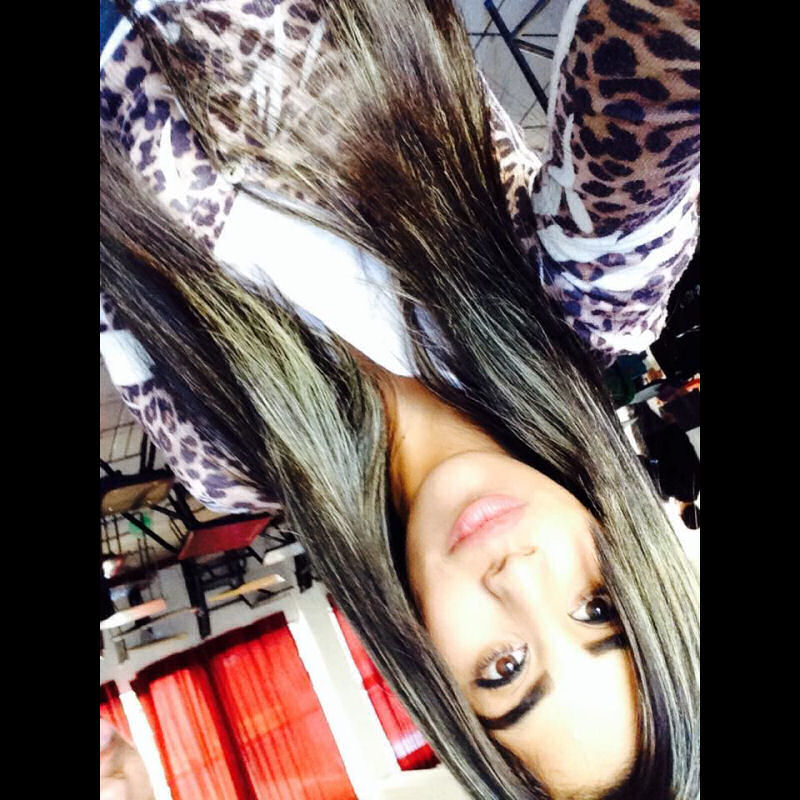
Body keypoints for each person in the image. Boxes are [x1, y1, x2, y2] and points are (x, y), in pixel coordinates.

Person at [99, 1, 700, 798]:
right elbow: (651, 61)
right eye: (598, 608)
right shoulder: (581, 299)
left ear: (435, 678)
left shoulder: (225, 462)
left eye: (504, 667)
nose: (518, 577)